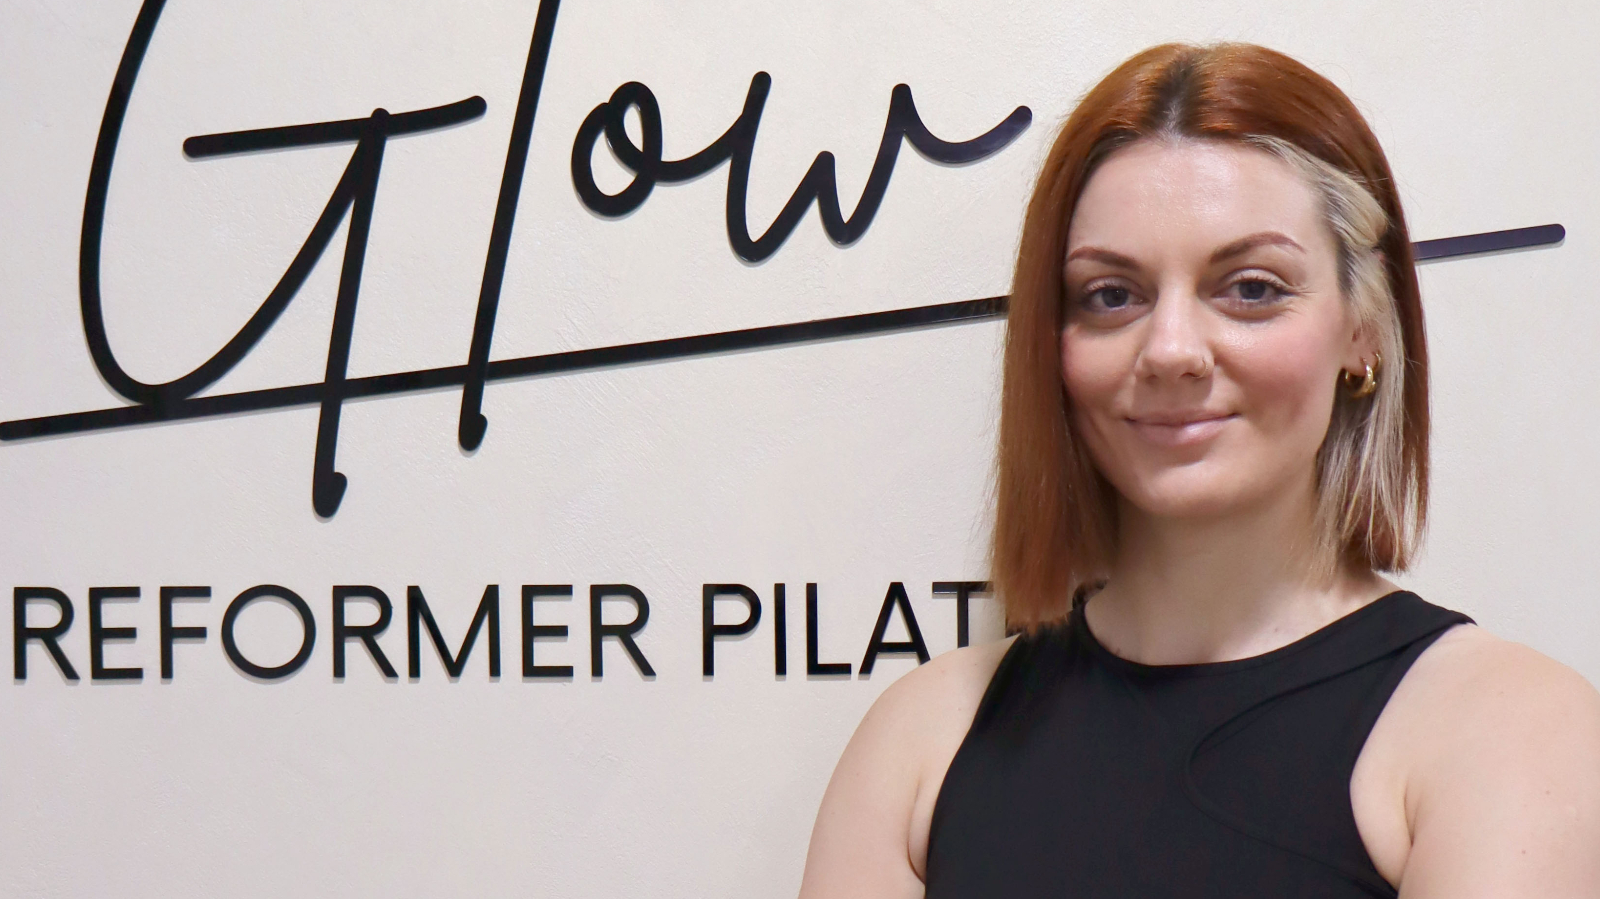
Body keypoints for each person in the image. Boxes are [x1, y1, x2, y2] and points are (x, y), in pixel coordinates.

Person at [797, 42, 1600, 898]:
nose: (1171, 350)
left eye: (1251, 288)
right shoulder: (921, 739)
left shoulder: (1509, 731)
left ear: (1363, 330)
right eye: (1112, 295)